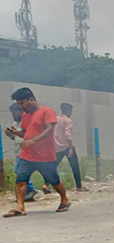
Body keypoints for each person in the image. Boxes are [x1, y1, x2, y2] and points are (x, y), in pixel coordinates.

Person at [4, 87, 71, 217]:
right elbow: (25, 132)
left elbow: (49, 130)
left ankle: (64, 199)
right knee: (20, 180)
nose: (21, 107)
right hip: (27, 154)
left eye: (22, 103)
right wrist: (14, 133)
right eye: (19, 104)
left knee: (54, 180)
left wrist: (32, 141)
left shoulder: (47, 111)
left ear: (31, 99)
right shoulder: (25, 115)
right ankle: (20, 207)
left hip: (45, 156)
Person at [6, 103, 40, 202]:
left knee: (19, 171)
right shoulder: (16, 123)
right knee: (20, 172)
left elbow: (29, 137)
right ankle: (27, 192)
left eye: (14, 112)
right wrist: (10, 135)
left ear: (21, 112)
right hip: (18, 152)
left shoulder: (28, 123)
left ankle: (30, 190)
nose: (13, 115)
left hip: (25, 152)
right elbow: (16, 139)